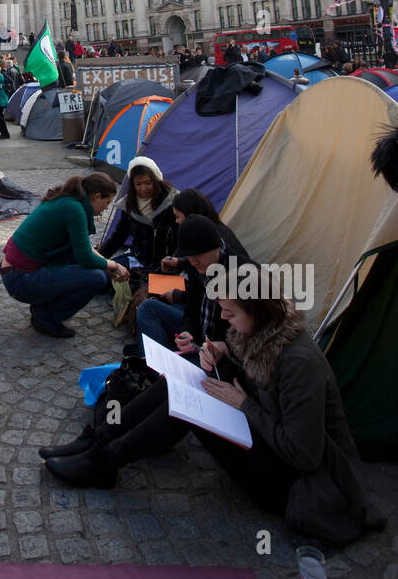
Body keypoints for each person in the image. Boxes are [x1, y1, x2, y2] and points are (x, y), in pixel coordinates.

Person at [42, 269, 386, 547]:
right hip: (275, 447)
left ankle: (105, 461)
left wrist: (243, 404)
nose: (224, 317)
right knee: (192, 369)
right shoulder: (266, 335)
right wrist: (222, 349)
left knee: (195, 404)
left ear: (258, 312)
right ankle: (99, 440)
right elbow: (257, 373)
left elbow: (304, 454)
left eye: (231, 313)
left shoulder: (299, 364)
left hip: (300, 483)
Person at [0, 174, 129, 338]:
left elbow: (83, 248)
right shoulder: (74, 209)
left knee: (99, 269)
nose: (106, 208)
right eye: (107, 202)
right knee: (97, 277)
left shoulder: (69, 202)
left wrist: (106, 263)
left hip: (15, 271)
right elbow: (86, 257)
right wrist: (114, 265)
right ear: (96, 196)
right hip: (20, 278)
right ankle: (46, 316)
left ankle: (43, 310)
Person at [132, 190, 249, 356]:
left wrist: (220, 349)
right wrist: (188, 331)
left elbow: (249, 336)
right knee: (147, 308)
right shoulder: (200, 263)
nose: (192, 262)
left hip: (218, 352)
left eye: (197, 256)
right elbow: (193, 307)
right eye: (189, 257)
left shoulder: (241, 275)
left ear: (216, 247)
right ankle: (160, 361)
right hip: (202, 335)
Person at [97, 157, 178, 283]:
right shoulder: (130, 205)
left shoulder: (172, 203)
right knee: (101, 276)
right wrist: (99, 260)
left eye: (147, 183)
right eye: (138, 184)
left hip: (165, 264)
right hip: (137, 258)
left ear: (156, 180)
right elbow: (118, 237)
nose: (143, 188)